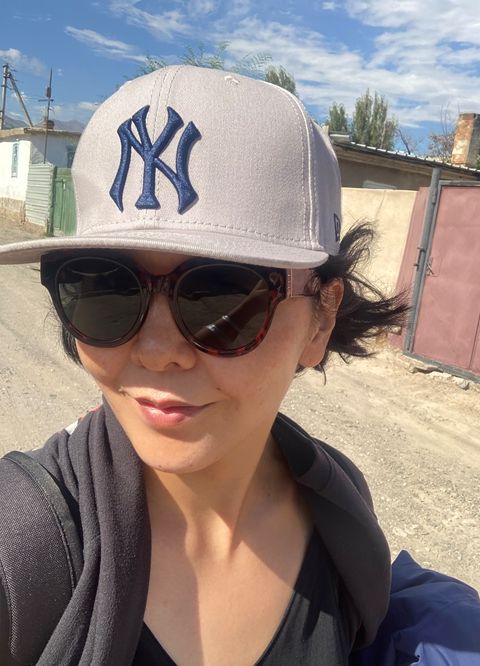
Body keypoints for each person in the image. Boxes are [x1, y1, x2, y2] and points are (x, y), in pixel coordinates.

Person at [0, 65, 406, 665]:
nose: (157, 351)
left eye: (222, 295)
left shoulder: (339, 510)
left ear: (320, 319)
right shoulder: (21, 545)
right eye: (106, 287)